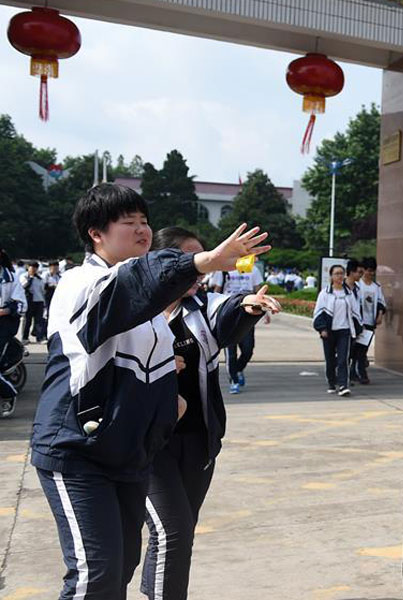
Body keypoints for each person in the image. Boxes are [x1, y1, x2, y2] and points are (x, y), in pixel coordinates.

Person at [30, 183, 270, 600]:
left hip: (130, 457)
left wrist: (164, 403)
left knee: (120, 569)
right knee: (97, 577)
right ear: (96, 233)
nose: (142, 230)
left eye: (145, 221)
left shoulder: (154, 315)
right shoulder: (83, 282)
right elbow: (134, 284)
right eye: (129, 223)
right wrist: (204, 261)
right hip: (77, 452)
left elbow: (171, 355)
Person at [142, 227, 281, 600]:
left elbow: (233, 310)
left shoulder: (203, 307)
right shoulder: (136, 310)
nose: (201, 269)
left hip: (197, 443)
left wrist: (250, 306)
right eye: (191, 260)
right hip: (148, 447)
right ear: (165, 264)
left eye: (205, 259)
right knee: (171, 532)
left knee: (179, 533)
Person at [209, 262, 266, 394]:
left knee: (248, 350)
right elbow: (217, 289)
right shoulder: (223, 268)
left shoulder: (253, 269)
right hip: (227, 314)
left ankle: (238, 369)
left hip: (246, 313)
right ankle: (233, 381)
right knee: (230, 353)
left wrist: (265, 311)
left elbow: (258, 290)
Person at [313, 264, 361, 396]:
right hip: (328, 332)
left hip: (344, 331)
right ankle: (331, 382)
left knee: (342, 360)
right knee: (330, 360)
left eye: (341, 273)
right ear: (331, 276)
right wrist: (322, 328)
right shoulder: (325, 293)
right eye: (337, 273)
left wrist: (357, 329)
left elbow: (355, 312)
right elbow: (318, 312)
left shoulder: (349, 293)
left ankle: (343, 385)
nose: (340, 276)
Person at [0, 249, 26, 418]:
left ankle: (9, 394)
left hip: (3, 326)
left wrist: (5, 310)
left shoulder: (10, 278)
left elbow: (21, 305)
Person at [353, 257, 386, 382]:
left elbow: (381, 302)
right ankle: (358, 372)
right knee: (356, 349)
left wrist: (380, 315)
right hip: (358, 322)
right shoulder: (357, 285)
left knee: (363, 348)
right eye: (369, 270)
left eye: (373, 271)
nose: (371, 273)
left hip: (370, 323)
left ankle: (359, 372)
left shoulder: (376, 287)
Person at [344, 259, 365, 383]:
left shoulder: (358, 289)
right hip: (344, 326)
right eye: (359, 272)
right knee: (344, 354)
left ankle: (351, 374)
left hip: (356, 326)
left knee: (355, 352)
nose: (361, 275)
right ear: (352, 272)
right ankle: (343, 378)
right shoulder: (342, 288)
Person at [20, 261, 46, 343]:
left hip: (39, 301)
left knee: (39, 321)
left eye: (35, 268)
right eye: (32, 267)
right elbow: (24, 287)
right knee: (27, 320)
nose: (34, 269)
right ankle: (24, 337)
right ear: (28, 267)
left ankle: (39, 338)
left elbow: (43, 291)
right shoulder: (24, 276)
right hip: (29, 301)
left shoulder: (40, 279)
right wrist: (30, 278)